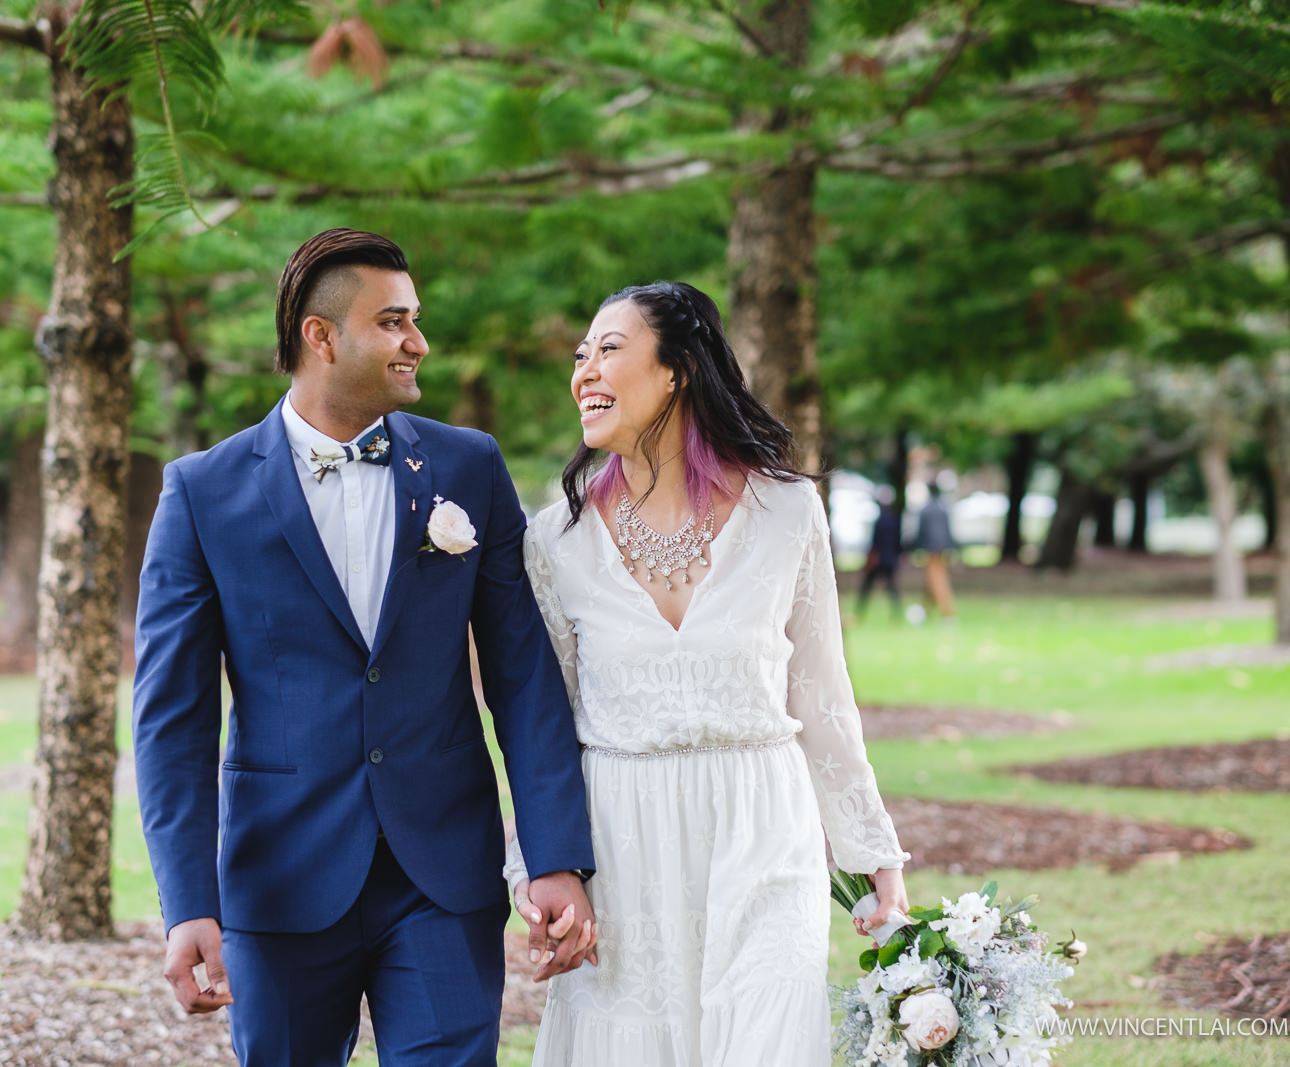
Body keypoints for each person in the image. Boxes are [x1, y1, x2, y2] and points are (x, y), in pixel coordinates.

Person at [132, 228, 597, 1067]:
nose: (417, 342)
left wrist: (554, 855)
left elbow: (523, 674)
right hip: (280, 876)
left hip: (441, 873)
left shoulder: (469, 466)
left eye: (414, 319)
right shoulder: (202, 492)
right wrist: (187, 902)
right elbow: (173, 721)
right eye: (393, 322)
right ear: (322, 336)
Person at [504, 281, 910, 1065]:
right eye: (580, 354)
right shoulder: (555, 538)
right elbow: (538, 723)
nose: (584, 370)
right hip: (624, 840)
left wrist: (874, 854)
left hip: (764, 824)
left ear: (678, 369)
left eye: (609, 348)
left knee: (767, 1038)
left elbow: (822, 692)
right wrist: (543, 868)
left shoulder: (788, 511)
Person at [914, 478, 958, 619]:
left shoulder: (925, 509)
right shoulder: (942, 508)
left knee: (937, 580)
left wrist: (916, 547)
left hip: (931, 550)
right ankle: (926, 611)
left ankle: (947, 612)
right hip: (942, 549)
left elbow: (921, 531)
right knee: (931, 580)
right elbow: (948, 530)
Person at [857, 484, 903, 619]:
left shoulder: (880, 520)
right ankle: (897, 613)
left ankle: (860, 612)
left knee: (867, 588)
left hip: (879, 560)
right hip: (889, 559)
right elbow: (898, 542)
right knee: (892, 588)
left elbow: (875, 542)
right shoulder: (895, 519)